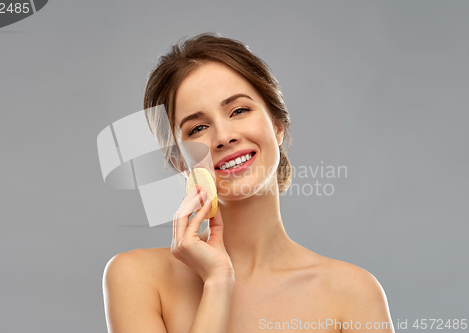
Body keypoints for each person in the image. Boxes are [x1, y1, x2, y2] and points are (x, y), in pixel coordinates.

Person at [102, 32, 394, 333]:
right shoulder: (136, 277)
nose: (224, 136)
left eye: (239, 110)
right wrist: (217, 284)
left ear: (277, 126)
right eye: (198, 128)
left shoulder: (353, 293)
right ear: (180, 164)